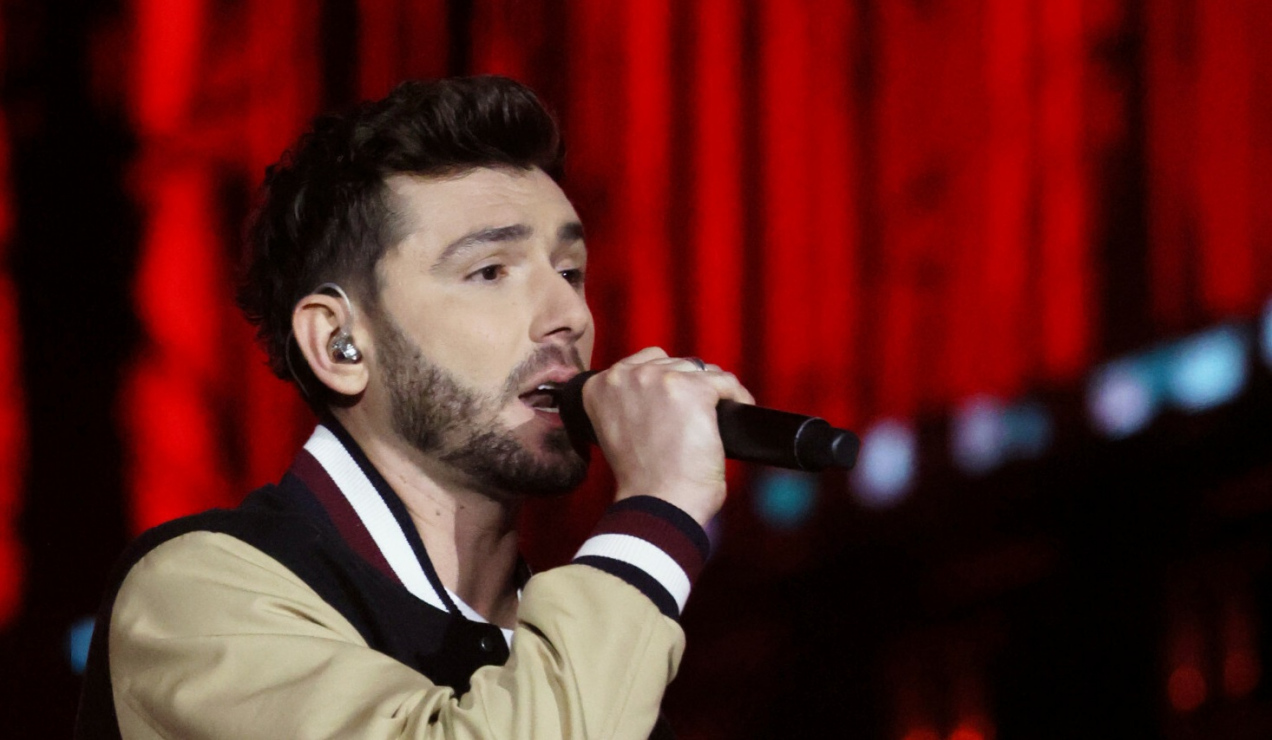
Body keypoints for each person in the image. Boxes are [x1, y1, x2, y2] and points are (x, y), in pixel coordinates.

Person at [75, 75, 755, 739]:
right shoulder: (198, 594)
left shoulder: (593, 666)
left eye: (570, 272)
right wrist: (658, 507)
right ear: (340, 344)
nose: (570, 315)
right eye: (490, 271)